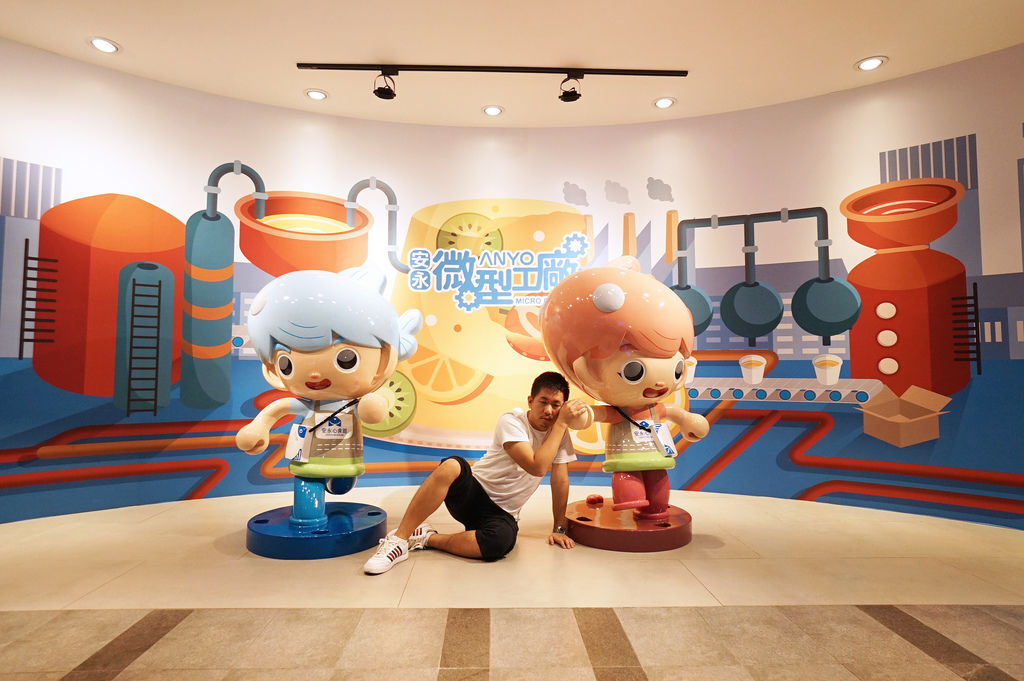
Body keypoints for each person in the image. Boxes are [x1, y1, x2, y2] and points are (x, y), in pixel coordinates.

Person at [236, 268, 422, 524]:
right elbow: (277, 409)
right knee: (307, 492)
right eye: (286, 363)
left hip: (346, 461)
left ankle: (329, 493)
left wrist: (372, 405)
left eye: (346, 358)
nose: (314, 375)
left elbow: (372, 411)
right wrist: (258, 427)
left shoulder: (352, 403)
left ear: (384, 358)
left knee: (342, 484)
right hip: (308, 462)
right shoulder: (305, 404)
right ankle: (308, 521)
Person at [363, 371, 591, 574]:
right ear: (530, 401)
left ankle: (428, 538)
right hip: (472, 493)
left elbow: (560, 481)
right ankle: (399, 540)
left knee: (499, 543)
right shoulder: (512, 421)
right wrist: (562, 424)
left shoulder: (558, 436)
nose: (549, 410)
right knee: (452, 465)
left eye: (556, 405)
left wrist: (559, 528)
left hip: (502, 513)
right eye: (543, 402)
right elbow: (536, 466)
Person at [540, 256, 709, 520]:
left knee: (658, 483)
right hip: (625, 457)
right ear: (588, 370)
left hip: (656, 456)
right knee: (628, 482)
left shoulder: (656, 409)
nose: (659, 384)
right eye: (634, 371)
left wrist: (688, 420)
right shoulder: (619, 411)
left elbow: (677, 415)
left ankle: (656, 509)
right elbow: (597, 414)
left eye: (676, 370)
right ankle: (631, 501)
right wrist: (584, 415)